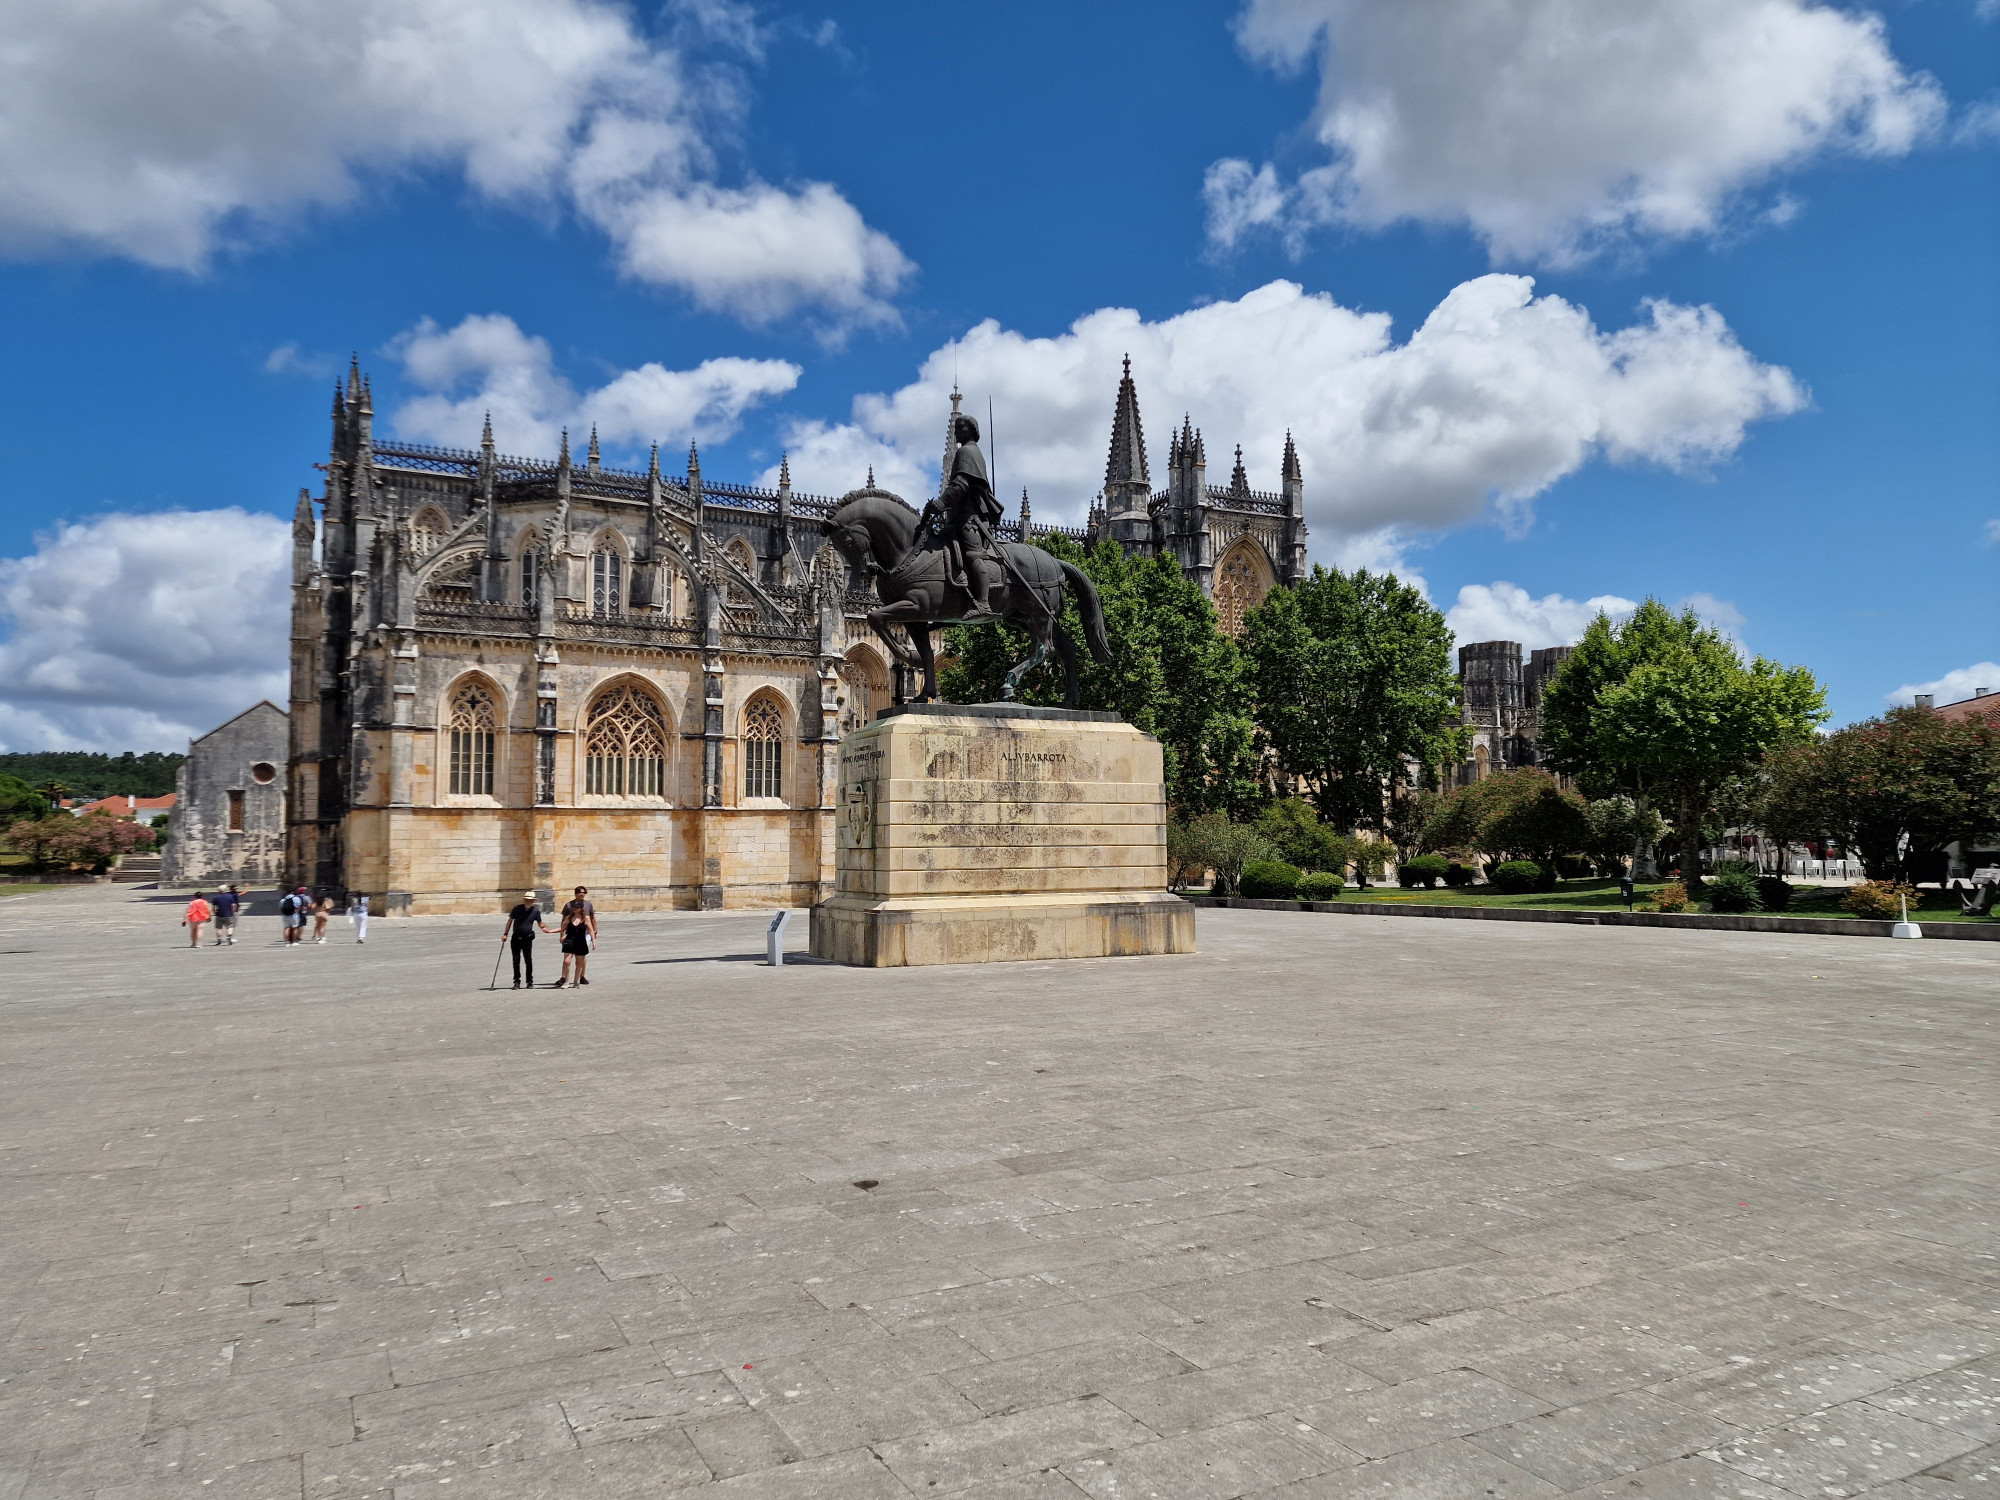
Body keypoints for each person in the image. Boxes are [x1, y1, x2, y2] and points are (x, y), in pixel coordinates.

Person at [920, 414, 1008, 618]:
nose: (956, 431)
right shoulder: (968, 452)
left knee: (973, 555)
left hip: (971, 518)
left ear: (972, 430)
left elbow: (961, 484)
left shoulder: (968, 452)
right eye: (956, 427)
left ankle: (984, 604)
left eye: (961, 427)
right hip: (958, 516)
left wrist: (940, 503)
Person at [500, 891, 552, 989]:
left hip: (527, 938)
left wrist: (546, 929)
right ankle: (516, 982)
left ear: (533, 901)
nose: (529, 901)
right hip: (516, 938)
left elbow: (540, 923)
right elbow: (510, 921)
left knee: (528, 960)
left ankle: (529, 981)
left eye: (531, 900)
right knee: (516, 961)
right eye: (527, 899)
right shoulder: (517, 908)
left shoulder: (535, 911)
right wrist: (505, 934)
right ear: (524, 900)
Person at [557, 886, 597, 988]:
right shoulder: (568, 905)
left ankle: (581, 976)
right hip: (571, 932)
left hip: (584, 932)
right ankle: (564, 978)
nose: (582, 894)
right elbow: (563, 921)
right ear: (575, 893)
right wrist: (562, 935)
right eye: (580, 893)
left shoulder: (588, 904)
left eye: (584, 893)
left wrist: (594, 932)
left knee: (581, 955)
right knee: (568, 958)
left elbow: (592, 918)